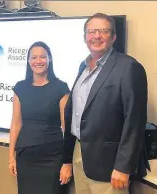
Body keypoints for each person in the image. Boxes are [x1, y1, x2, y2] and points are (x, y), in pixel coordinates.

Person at [61, 13, 149, 194]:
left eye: (103, 31)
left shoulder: (129, 67)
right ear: (85, 37)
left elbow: (135, 120)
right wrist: (68, 157)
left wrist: (123, 167)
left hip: (110, 165)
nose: (96, 36)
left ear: (114, 37)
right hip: (80, 155)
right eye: (91, 31)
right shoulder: (82, 67)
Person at [8, 41, 70, 194]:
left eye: (42, 57)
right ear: (28, 61)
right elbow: (16, 124)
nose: (38, 61)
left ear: (50, 59)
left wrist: (67, 162)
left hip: (53, 156)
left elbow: (66, 128)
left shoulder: (61, 88)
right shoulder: (20, 87)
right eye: (34, 57)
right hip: (26, 155)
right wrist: (11, 157)